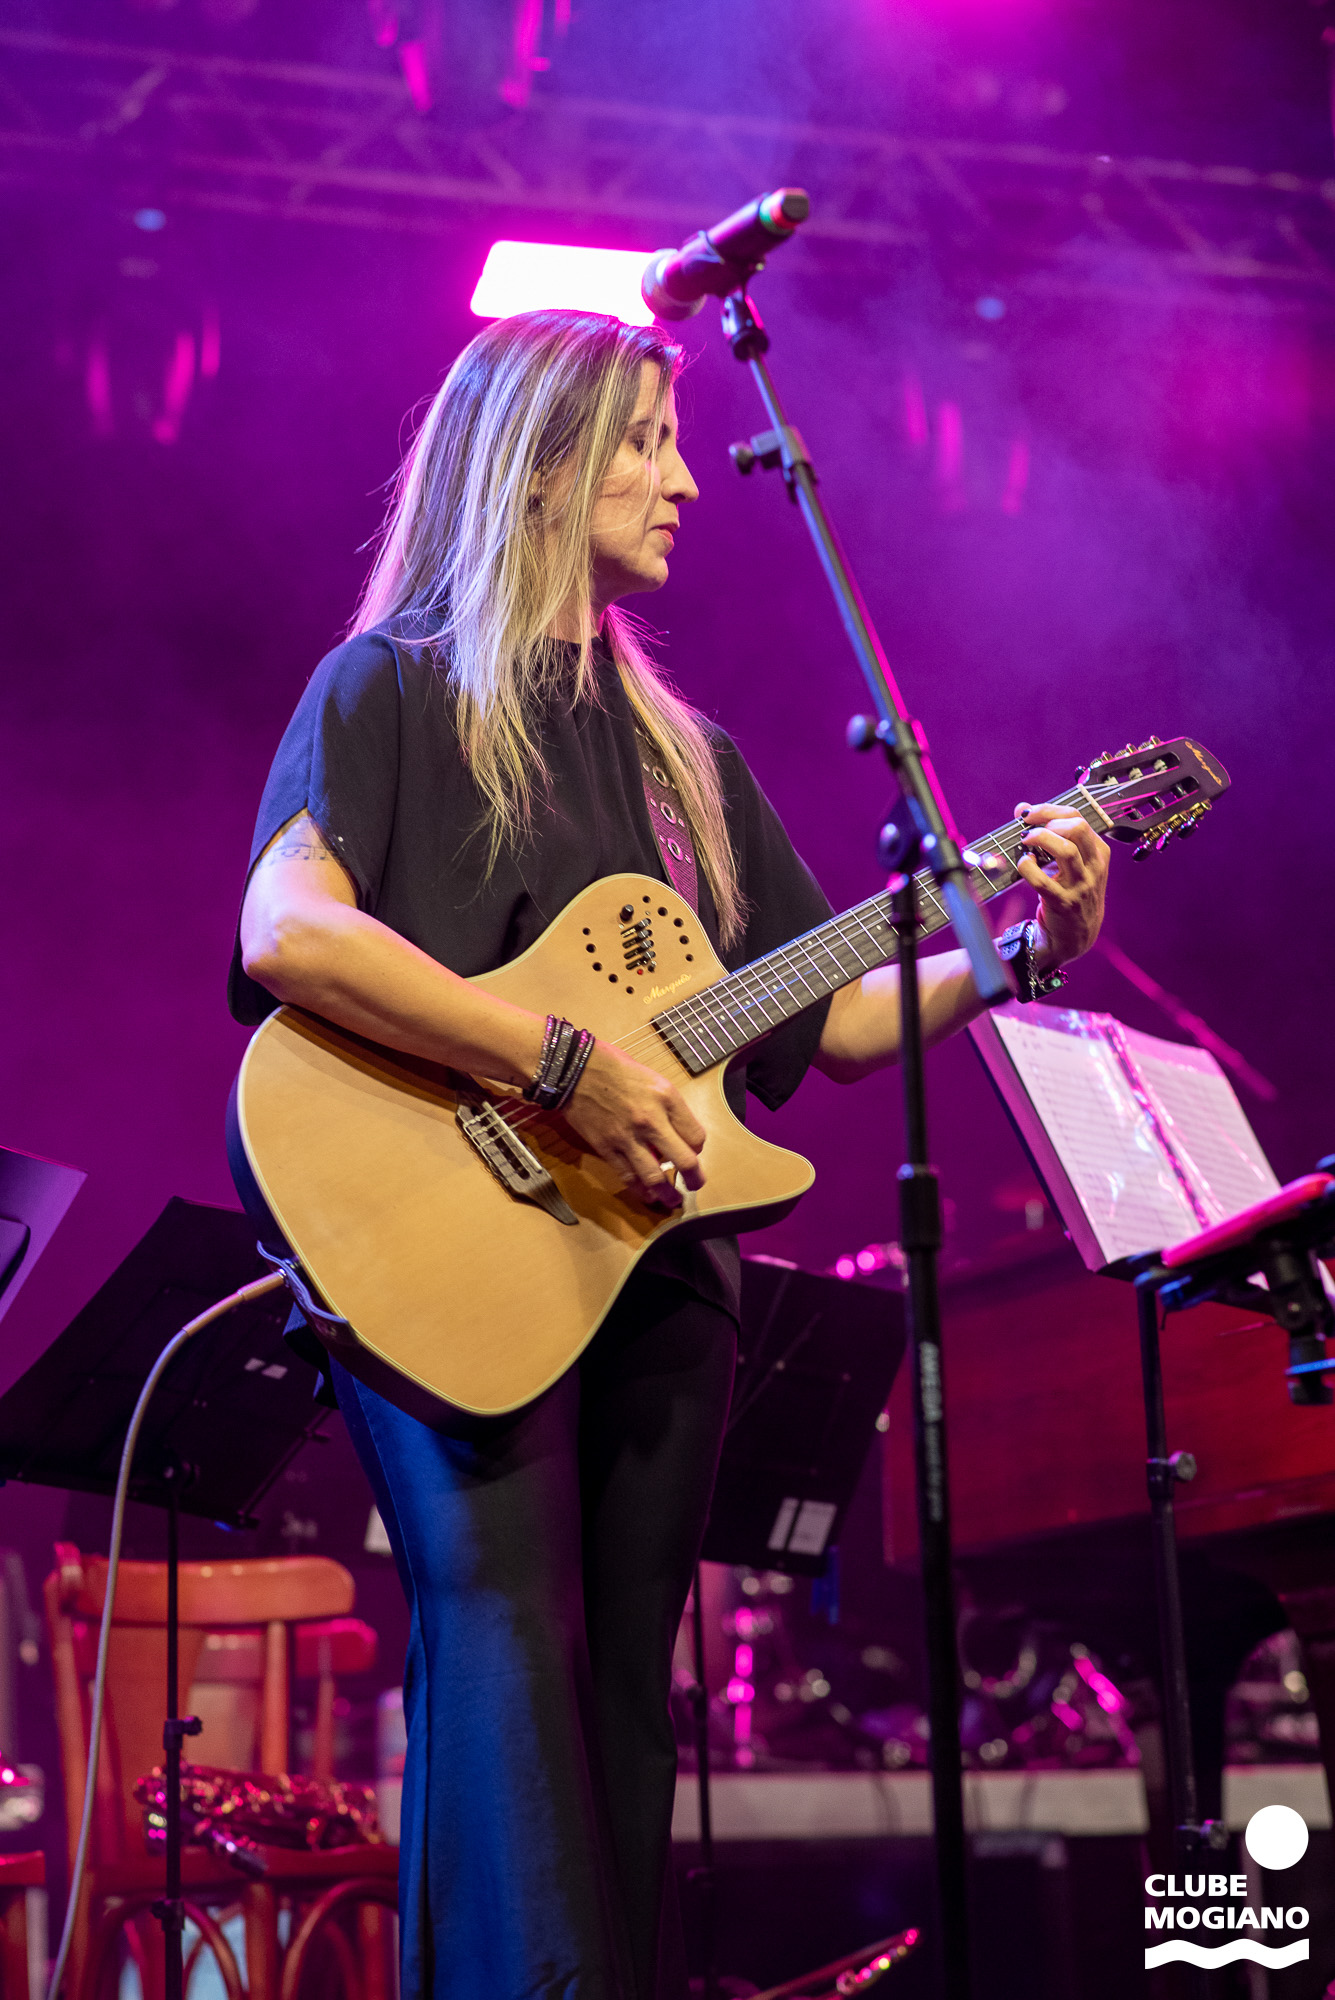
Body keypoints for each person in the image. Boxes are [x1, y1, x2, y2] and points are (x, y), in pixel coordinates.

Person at [229, 309, 1108, 2000]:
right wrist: (558, 1058)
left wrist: (1019, 949)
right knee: (509, 1648)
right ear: (538, 469)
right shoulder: (392, 691)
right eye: (643, 442)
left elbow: (826, 1024)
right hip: (443, 1250)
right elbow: (289, 932)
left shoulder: (687, 762)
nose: (685, 480)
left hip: (660, 1264)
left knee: (630, 1684)